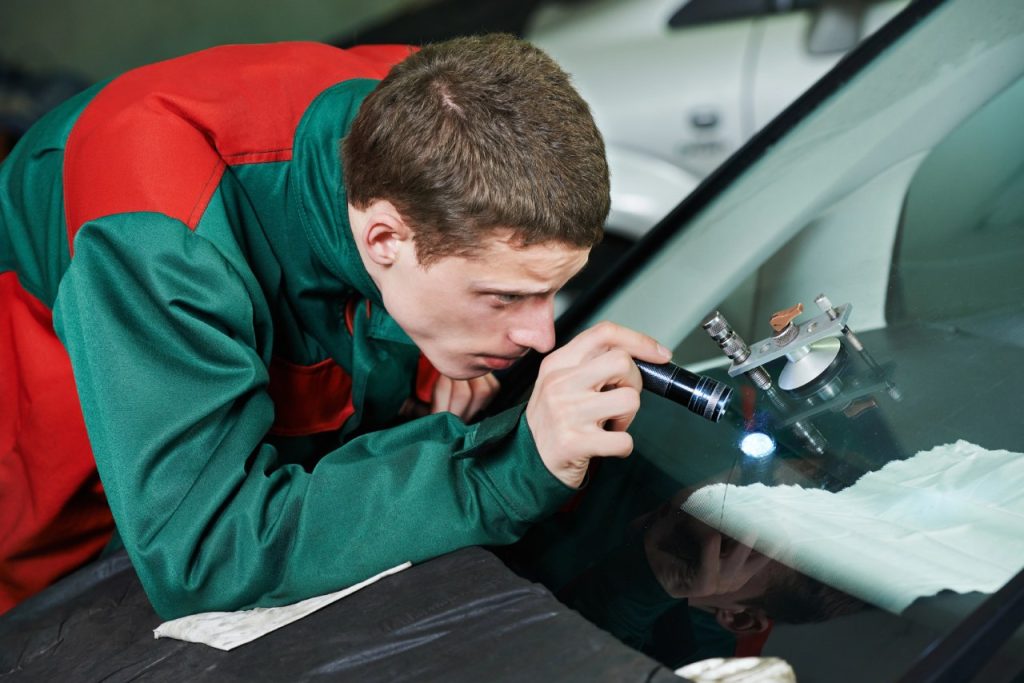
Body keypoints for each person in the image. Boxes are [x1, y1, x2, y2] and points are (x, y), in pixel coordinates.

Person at [0, 34, 672, 617]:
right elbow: (204, 553)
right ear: (384, 239)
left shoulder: (440, 118)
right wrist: (506, 467)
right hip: (52, 471)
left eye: (549, 292)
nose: (541, 335)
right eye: (503, 298)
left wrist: (430, 354)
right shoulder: (156, 234)